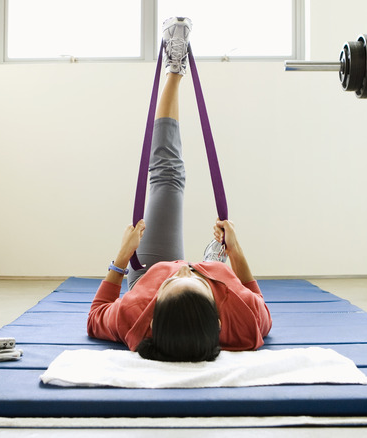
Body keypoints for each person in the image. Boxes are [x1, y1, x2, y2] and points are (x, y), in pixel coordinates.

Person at [87, 17, 272, 363]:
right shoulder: (246, 323)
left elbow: (96, 313)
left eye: (174, 281)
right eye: (194, 280)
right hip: (217, 282)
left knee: (168, 176)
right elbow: (255, 297)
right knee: (175, 188)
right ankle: (212, 268)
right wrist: (236, 253)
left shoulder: (137, 314)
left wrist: (122, 259)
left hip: (148, 270)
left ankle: (174, 68)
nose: (184, 269)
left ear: (154, 309)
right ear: (218, 320)